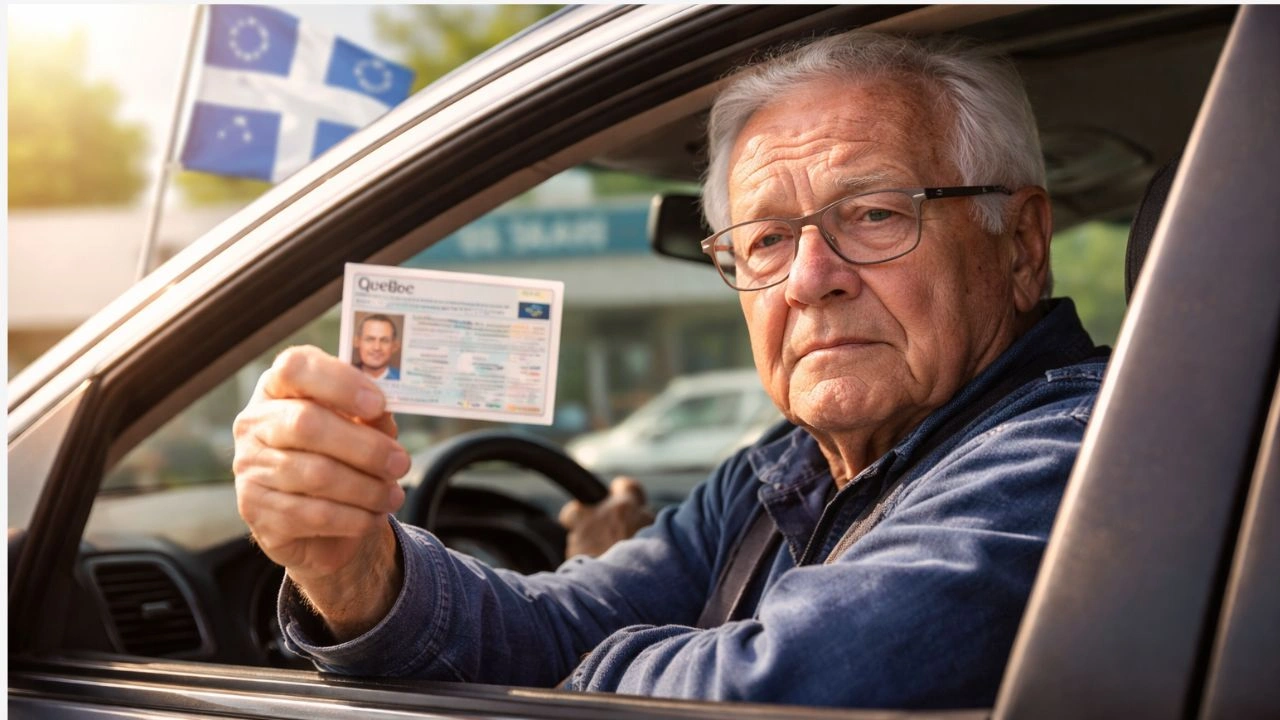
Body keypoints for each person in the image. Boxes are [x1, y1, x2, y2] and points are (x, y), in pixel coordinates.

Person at [233, 31, 1108, 708]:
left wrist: (541, 684)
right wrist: (357, 570)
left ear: (1022, 246)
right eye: (765, 239)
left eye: (875, 214)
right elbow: (560, 623)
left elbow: (774, 695)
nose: (809, 280)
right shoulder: (781, 470)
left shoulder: (1075, 453)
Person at [352, 314, 401, 381]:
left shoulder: (403, 378)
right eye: (370, 339)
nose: (377, 347)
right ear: (357, 342)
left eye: (384, 341)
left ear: (395, 346)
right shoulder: (345, 377)